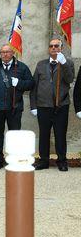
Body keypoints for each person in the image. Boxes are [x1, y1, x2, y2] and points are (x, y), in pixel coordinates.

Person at [0, 44, 34, 170]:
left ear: (12, 53)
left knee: (14, 135)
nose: (5, 54)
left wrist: (19, 83)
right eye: (2, 52)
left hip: (14, 108)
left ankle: (13, 158)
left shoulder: (21, 67)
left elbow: (31, 84)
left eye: (7, 52)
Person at [30, 38, 74, 171]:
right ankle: (44, 161)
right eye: (51, 46)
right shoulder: (41, 64)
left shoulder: (68, 63)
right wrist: (33, 106)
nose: (54, 48)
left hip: (61, 106)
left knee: (60, 134)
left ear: (61, 48)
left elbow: (70, 79)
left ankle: (62, 161)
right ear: (49, 49)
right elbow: (34, 86)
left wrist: (64, 63)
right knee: (44, 134)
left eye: (56, 46)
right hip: (44, 106)